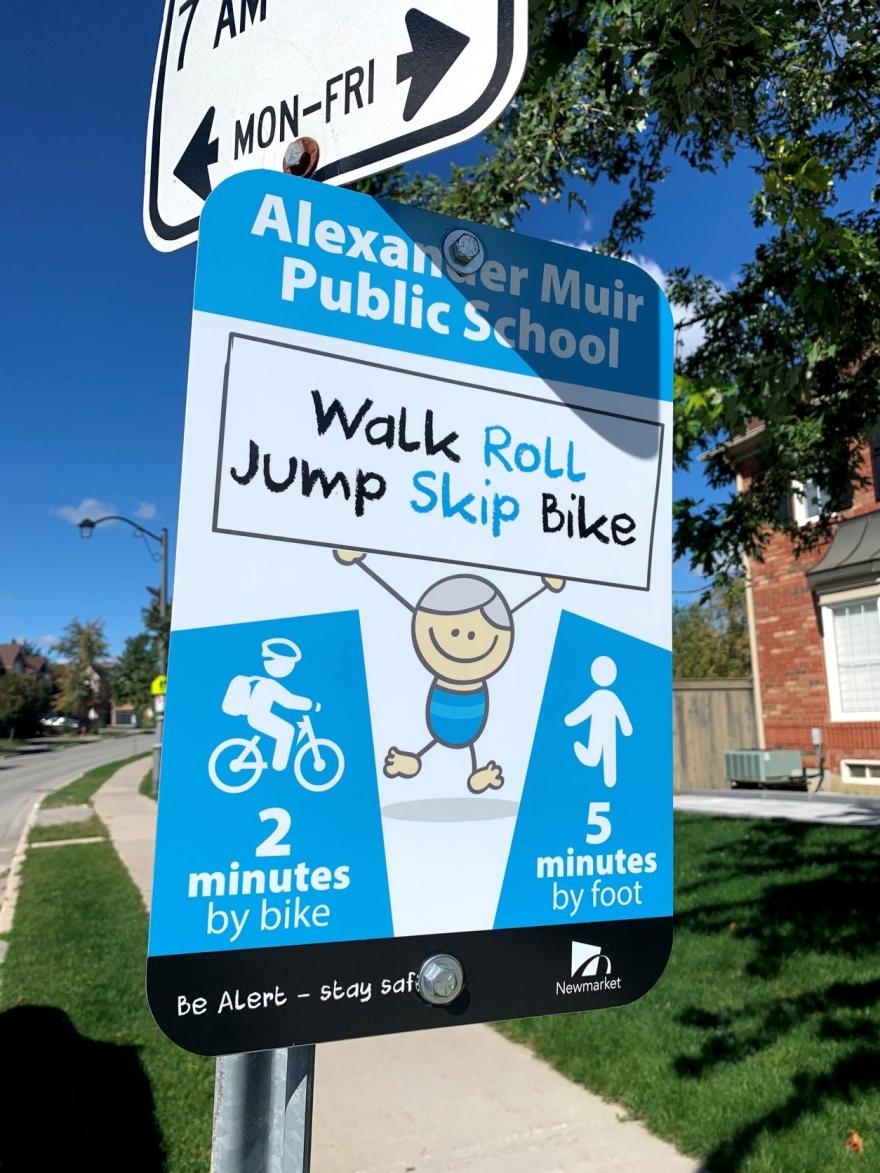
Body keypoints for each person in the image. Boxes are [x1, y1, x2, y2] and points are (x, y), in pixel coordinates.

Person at [335, 549, 564, 793]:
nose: (464, 640)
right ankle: (415, 759)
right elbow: (392, 591)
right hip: (446, 702)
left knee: (469, 742)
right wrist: (360, 562)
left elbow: (522, 604)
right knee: (436, 735)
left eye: (473, 634)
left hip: (471, 706)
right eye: (455, 632)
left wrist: (545, 586)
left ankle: (476, 772)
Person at [223, 638, 313, 771]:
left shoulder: (258, 680)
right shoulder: (269, 684)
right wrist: (311, 705)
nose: (290, 668)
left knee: (286, 728)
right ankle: (278, 767)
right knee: (288, 731)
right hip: (259, 718)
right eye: (289, 664)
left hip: (257, 716)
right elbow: (288, 701)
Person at [564, 655, 632, 787]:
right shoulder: (609, 697)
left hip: (603, 730)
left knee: (606, 754)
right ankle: (609, 779)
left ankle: (607, 777)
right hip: (602, 730)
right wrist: (626, 727)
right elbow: (583, 711)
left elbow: (582, 711)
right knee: (608, 754)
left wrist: (570, 720)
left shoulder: (603, 697)